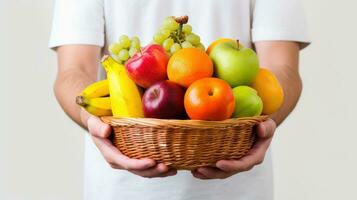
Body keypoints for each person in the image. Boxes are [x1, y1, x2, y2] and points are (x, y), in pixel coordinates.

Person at [49, 0, 309, 199]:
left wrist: (265, 126)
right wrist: (91, 119)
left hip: (238, 188)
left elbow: (282, 69)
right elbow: (73, 71)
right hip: (120, 189)